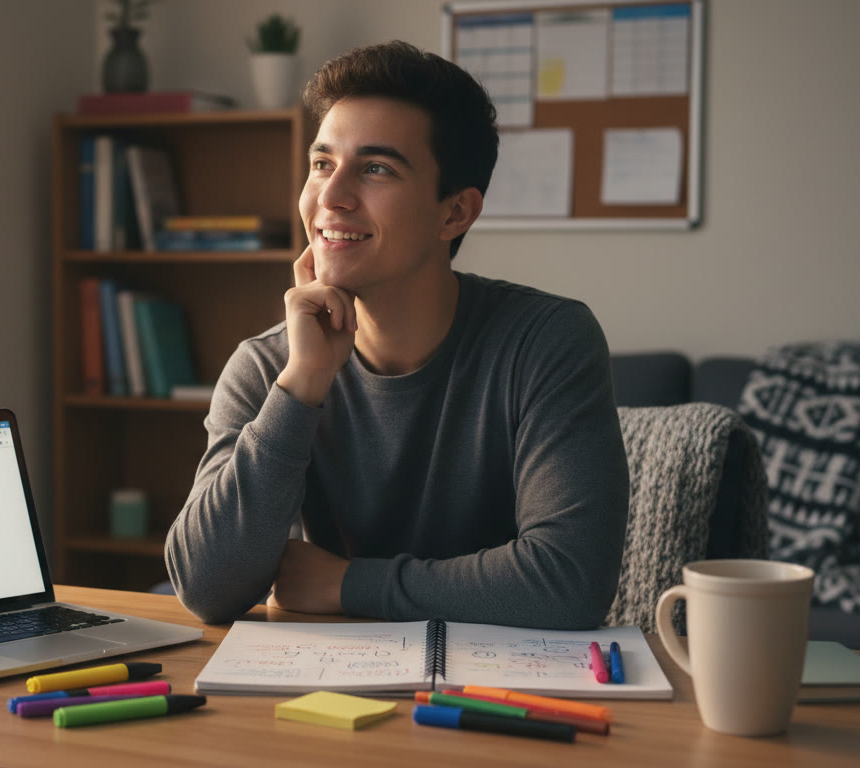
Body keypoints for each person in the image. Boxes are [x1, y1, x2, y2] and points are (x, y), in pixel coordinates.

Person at [164, 40, 629, 628]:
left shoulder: (546, 342)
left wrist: (347, 583)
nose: (330, 198)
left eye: (376, 169)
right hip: (328, 698)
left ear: (455, 213)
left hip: (499, 696)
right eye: (322, 164)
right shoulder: (270, 367)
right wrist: (302, 386)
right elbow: (205, 588)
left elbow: (569, 582)